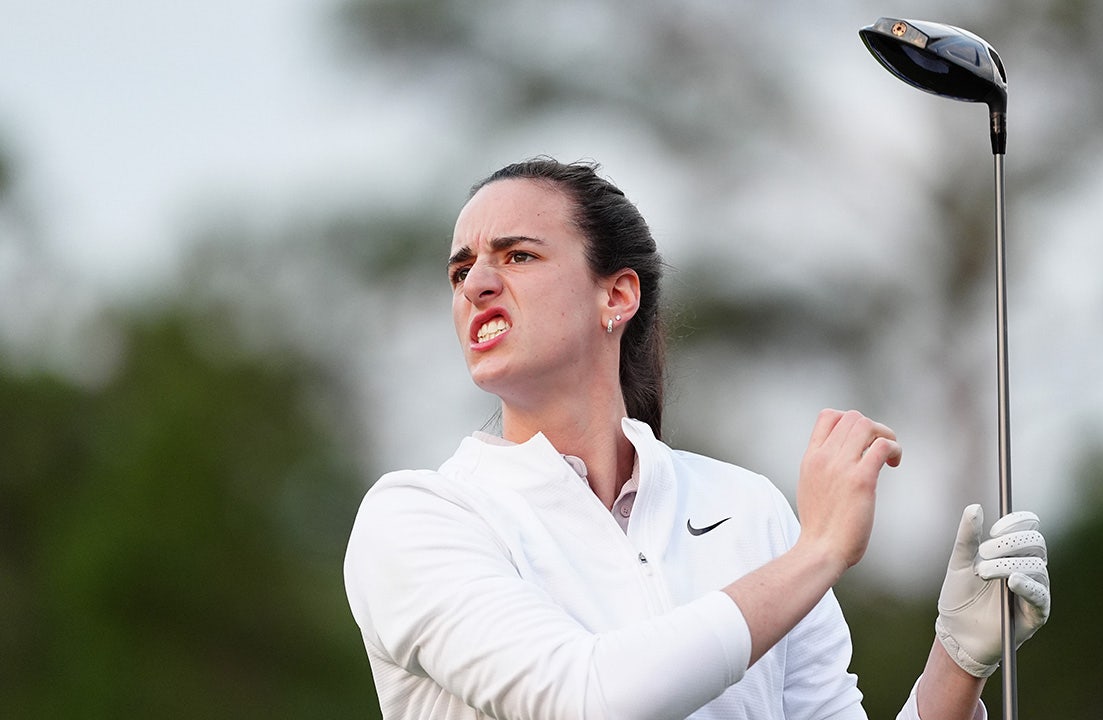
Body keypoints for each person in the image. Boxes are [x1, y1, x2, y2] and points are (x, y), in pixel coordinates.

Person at [343, 158, 1050, 720]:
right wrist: (820, 552)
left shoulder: (746, 507)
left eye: (518, 256)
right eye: (461, 269)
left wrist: (957, 661)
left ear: (616, 296)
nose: (477, 284)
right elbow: (588, 701)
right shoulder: (416, 518)